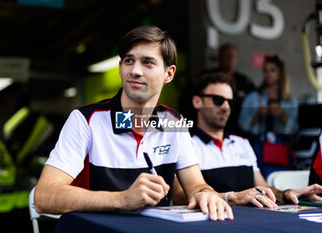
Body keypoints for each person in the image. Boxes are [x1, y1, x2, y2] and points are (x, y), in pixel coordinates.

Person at [34, 25, 233, 221]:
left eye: (148, 63)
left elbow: (196, 185)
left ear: (169, 74)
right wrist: (122, 199)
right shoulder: (85, 119)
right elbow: (43, 197)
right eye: (129, 60)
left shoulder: (175, 123)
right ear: (120, 68)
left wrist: (204, 193)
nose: (135, 71)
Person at [172, 72, 322, 207]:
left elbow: (264, 188)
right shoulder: (185, 144)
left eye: (230, 102)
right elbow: (179, 196)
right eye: (218, 100)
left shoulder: (241, 143)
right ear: (197, 102)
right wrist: (233, 197)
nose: (225, 107)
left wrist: (287, 194)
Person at [238, 55, 299, 177]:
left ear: (280, 73)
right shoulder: (254, 97)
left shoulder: (289, 100)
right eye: (265, 70)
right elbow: (241, 124)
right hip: (258, 149)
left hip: (280, 150)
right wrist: (257, 115)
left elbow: (294, 129)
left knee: (282, 181)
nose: (268, 74)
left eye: (272, 70)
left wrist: (282, 115)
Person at [200, 43, 256, 136]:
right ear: (219, 58)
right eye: (227, 55)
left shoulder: (245, 82)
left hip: (238, 133)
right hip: (209, 132)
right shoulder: (207, 78)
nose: (231, 59)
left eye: (233, 56)